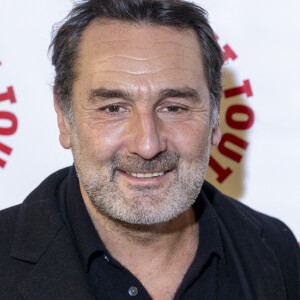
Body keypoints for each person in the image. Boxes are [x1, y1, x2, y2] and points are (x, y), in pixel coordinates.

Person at [0, 0, 299, 299]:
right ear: (64, 117)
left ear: (215, 116)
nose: (147, 146)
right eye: (113, 108)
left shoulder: (279, 253)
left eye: (174, 107)